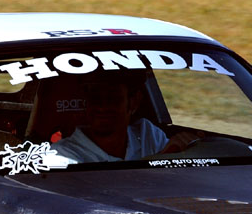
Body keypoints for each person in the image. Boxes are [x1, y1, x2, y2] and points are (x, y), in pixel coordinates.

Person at [51, 70, 192, 164]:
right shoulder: (62, 155)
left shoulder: (148, 135)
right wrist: (162, 157)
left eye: (112, 98)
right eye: (95, 97)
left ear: (133, 103)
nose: (102, 107)